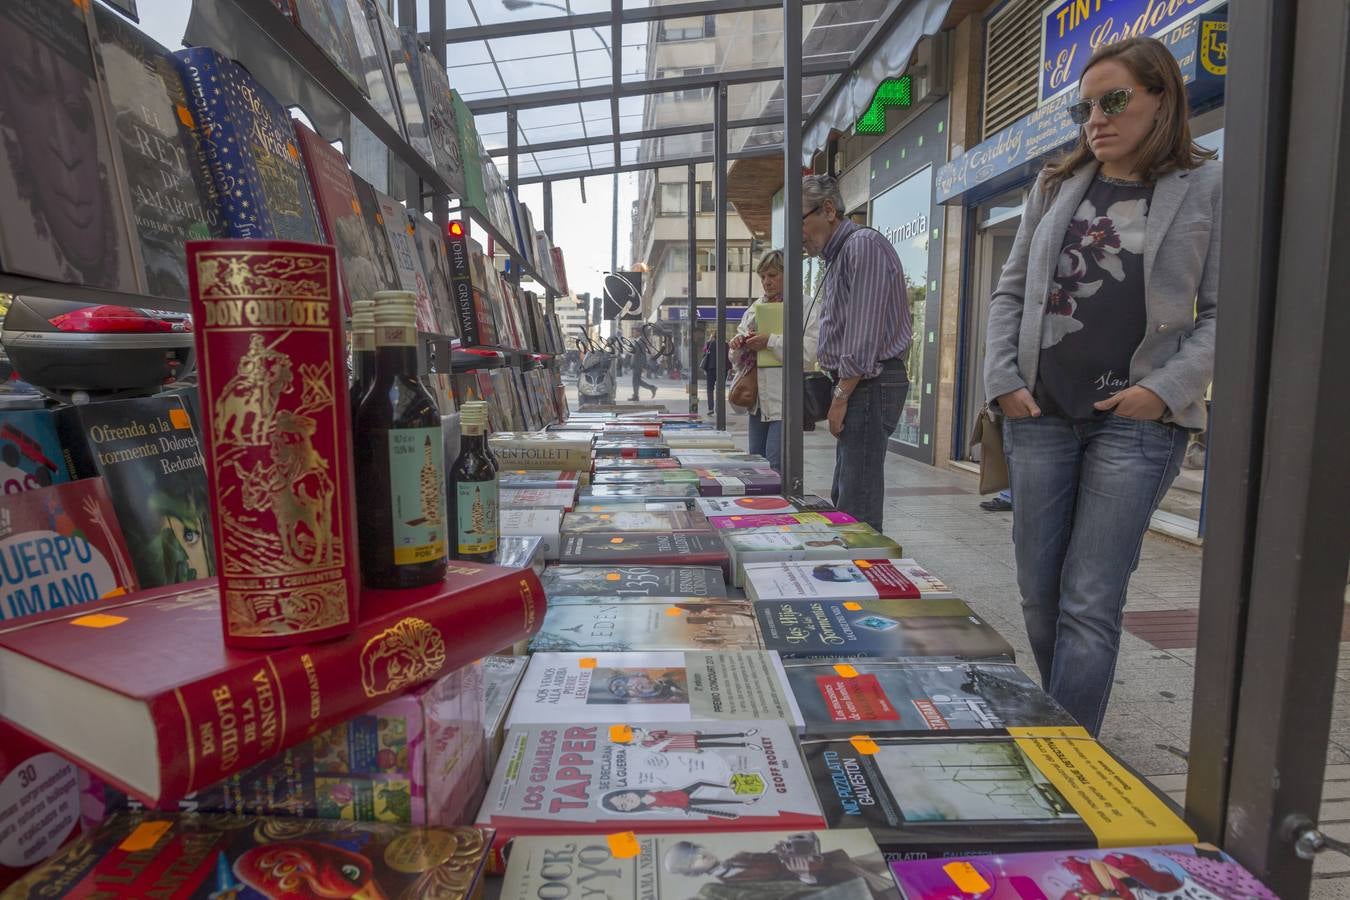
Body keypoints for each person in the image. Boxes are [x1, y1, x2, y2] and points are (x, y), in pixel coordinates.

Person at [984, 37, 1220, 735]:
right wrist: (1002, 381)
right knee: (1036, 595)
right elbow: (1006, 295)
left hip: (1136, 423)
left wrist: (1168, 389)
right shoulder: (1057, 185)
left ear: (1161, 98)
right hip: (1040, 413)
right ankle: (1068, 727)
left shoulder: (1208, 186)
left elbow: (1227, 312)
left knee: (1089, 598)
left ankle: (1065, 755)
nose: (1096, 119)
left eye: (1113, 100)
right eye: (1083, 106)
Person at [802, 175, 912, 532]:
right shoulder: (839, 255)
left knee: (857, 502)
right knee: (848, 491)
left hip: (867, 383)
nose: (797, 235)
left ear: (828, 209)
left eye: (800, 221)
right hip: (860, 384)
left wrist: (841, 394)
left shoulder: (861, 245)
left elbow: (862, 335)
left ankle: (862, 581)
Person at [729, 250, 822, 474]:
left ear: (787, 275)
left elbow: (809, 355)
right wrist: (738, 345)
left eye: (772, 275)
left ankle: (778, 507)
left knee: (775, 467)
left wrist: (769, 341)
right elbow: (737, 363)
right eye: (762, 277)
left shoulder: (805, 306)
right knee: (757, 467)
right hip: (757, 402)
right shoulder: (754, 308)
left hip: (784, 402)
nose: (766, 282)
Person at [629, 330, 657, 400]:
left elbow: (639, 354)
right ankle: (636, 395)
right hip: (638, 364)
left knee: (636, 380)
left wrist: (640, 365)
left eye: (634, 332)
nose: (633, 333)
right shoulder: (640, 341)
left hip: (638, 364)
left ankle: (651, 388)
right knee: (637, 381)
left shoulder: (640, 342)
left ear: (638, 332)